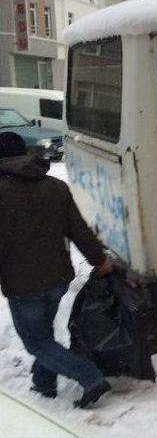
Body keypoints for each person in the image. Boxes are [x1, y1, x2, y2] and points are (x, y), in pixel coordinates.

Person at [0, 132, 113, 408]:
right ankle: (44, 381)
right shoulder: (55, 187)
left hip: (23, 284)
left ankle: (90, 378)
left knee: (36, 343)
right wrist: (100, 260)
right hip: (58, 278)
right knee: (43, 333)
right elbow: (79, 230)